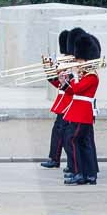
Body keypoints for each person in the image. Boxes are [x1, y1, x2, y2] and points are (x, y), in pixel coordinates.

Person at [59, 30, 101, 185]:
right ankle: (89, 174)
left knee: (73, 140)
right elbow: (72, 91)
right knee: (81, 143)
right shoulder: (85, 75)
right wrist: (64, 82)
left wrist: (74, 75)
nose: (78, 63)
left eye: (80, 60)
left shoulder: (92, 76)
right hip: (77, 112)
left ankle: (80, 173)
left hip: (82, 113)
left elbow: (77, 89)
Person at [40, 29, 79, 169]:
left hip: (70, 104)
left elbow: (73, 86)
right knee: (58, 132)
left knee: (68, 136)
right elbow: (58, 83)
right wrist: (49, 70)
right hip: (62, 103)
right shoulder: (67, 62)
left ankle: (71, 164)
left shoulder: (76, 66)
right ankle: (54, 158)